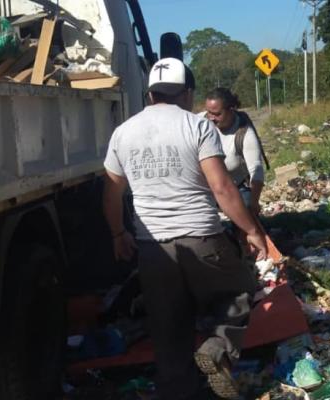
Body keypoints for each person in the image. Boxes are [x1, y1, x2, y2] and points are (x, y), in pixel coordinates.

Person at [102, 57, 266, 400]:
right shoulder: (198, 127)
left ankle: (179, 391)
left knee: (167, 329)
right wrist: (252, 230)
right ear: (187, 94)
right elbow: (222, 188)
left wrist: (118, 234)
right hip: (203, 239)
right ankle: (217, 348)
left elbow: (111, 193)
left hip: (153, 249)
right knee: (237, 293)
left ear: (149, 95)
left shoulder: (123, 133)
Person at [202, 88, 267, 216]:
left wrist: (254, 203)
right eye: (208, 112)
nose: (211, 118)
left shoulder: (244, 134)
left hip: (234, 188)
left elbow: (257, 170)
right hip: (205, 189)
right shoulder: (199, 123)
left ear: (231, 110)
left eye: (217, 114)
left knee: (246, 210)